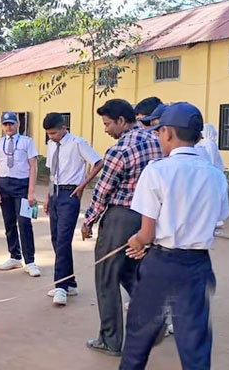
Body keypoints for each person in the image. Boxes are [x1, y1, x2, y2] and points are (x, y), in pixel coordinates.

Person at [121, 102, 229, 370]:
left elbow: (147, 233)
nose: (158, 137)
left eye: (159, 132)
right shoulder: (215, 175)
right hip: (198, 264)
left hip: (162, 265)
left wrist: (137, 241)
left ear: (167, 132)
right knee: (195, 343)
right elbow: (217, 221)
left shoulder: (157, 171)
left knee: (139, 337)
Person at [82, 99, 162, 356]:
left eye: (108, 124)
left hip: (121, 217)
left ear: (121, 121)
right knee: (130, 271)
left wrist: (89, 221)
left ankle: (110, 339)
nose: (106, 130)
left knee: (106, 275)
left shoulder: (120, 150)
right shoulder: (156, 141)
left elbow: (103, 191)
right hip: (149, 217)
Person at [43, 112, 103, 306]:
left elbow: (98, 162)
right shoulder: (51, 145)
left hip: (70, 194)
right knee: (56, 239)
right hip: (55, 193)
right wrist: (47, 197)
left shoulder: (78, 143)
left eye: (54, 133)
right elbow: (52, 173)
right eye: (48, 133)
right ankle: (70, 283)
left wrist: (83, 184)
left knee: (63, 239)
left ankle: (60, 286)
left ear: (64, 128)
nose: (51, 136)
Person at [0, 111, 41, 277]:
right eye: (5, 124)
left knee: (24, 222)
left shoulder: (27, 142)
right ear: (1, 126)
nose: (8, 127)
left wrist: (31, 191)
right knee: (9, 222)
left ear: (18, 124)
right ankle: (14, 256)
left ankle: (30, 261)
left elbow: (33, 166)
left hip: (22, 186)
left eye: (11, 123)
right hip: (4, 185)